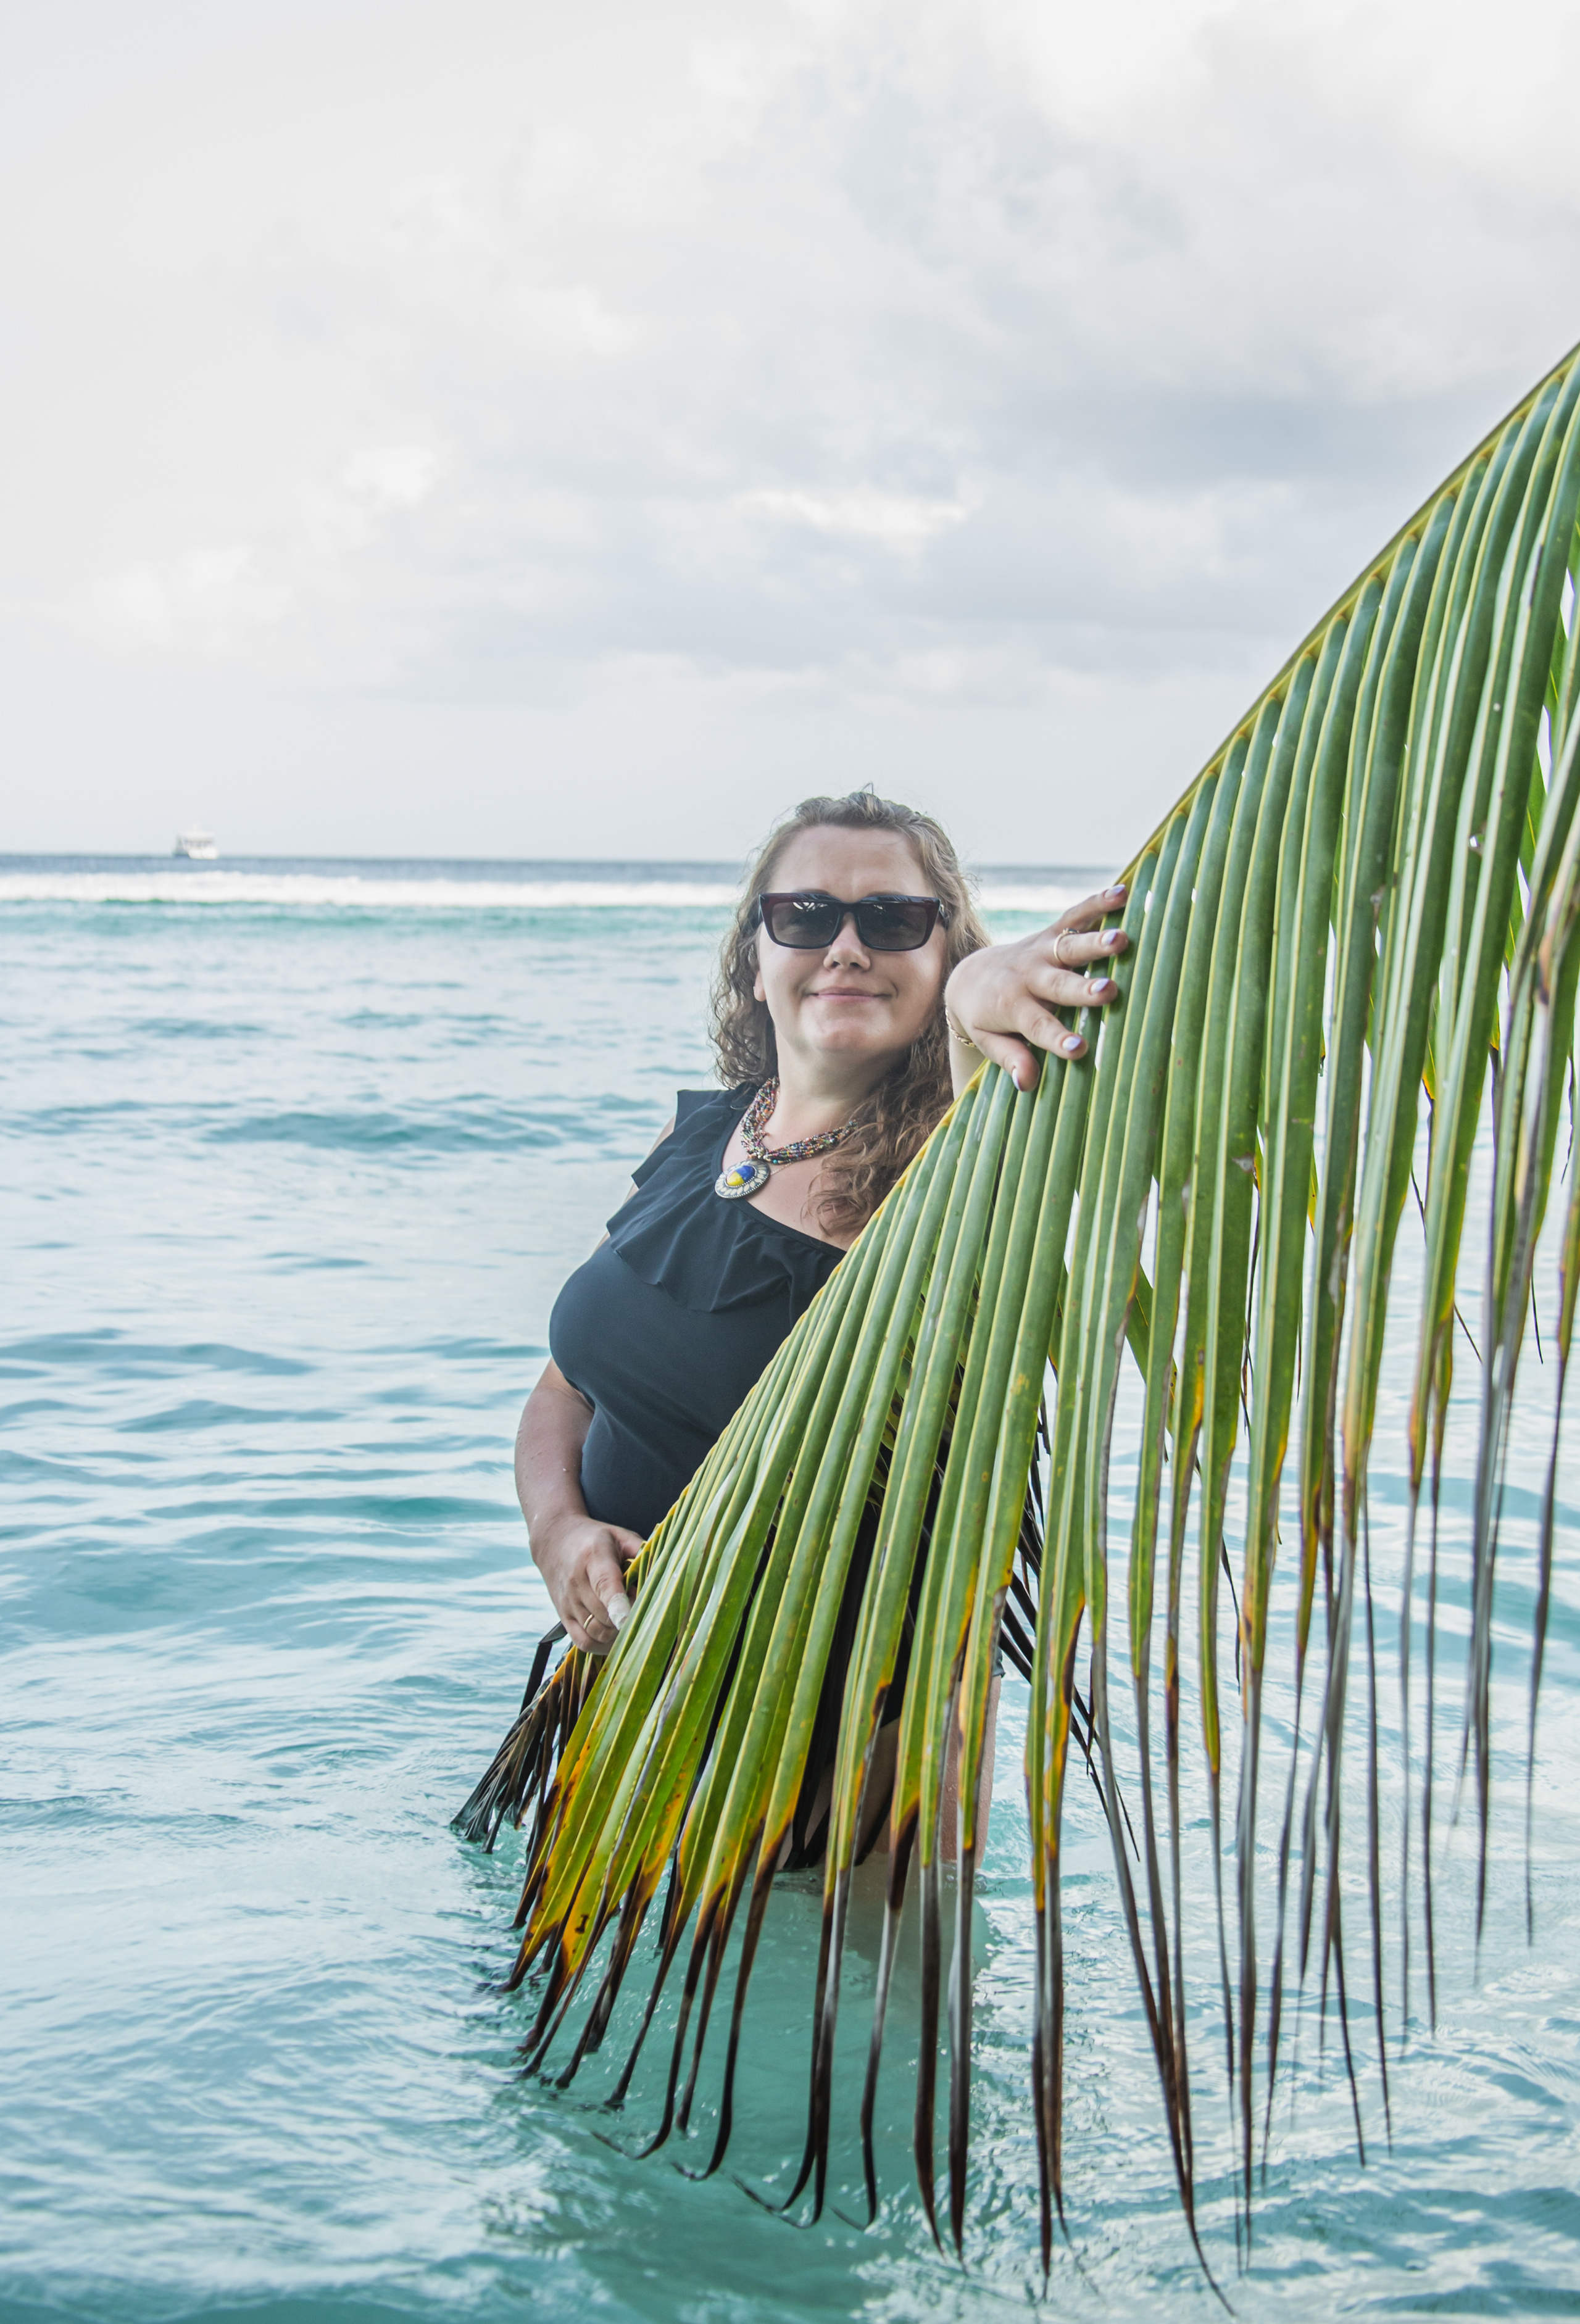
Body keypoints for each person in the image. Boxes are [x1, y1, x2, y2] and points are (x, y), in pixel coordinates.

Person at [512, 788, 1126, 1851]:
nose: (846, 947)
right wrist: (557, 1531)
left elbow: (990, 1110)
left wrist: (981, 998)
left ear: (944, 954)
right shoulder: (708, 1139)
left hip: (826, 1795)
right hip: (613, 1744)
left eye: (893, 920)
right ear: (758, 953)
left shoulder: (959, 1169)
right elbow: (565, 1389)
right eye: (805, 916)